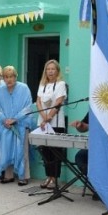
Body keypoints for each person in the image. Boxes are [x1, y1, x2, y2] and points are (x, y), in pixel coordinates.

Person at [0, 66, 33, 186]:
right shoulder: (0, 90)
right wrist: (5, 120)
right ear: (3, 79)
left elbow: (28, 107)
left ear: (16, 77)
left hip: (21, 124)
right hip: (6, 125)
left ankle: (23, 176)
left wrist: (15, 119)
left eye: (11, 76)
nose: (9, 79)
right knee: (6, 149)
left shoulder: (24, 88)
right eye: (6, 77)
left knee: (22, 150)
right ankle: (8, 175)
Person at [35, 59, 68, 189]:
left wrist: (48, 118)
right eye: (48, 69)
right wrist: (43, 117)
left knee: (55, 152)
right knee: (45, 152)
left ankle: (54, 179)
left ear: (57, 71)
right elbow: (38, 101)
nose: (50, 71)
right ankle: (48, 176)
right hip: (42, 123)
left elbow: (58, 102)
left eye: (53, 69)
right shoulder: (42, 84)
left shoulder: (61, 84)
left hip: (56, 123)